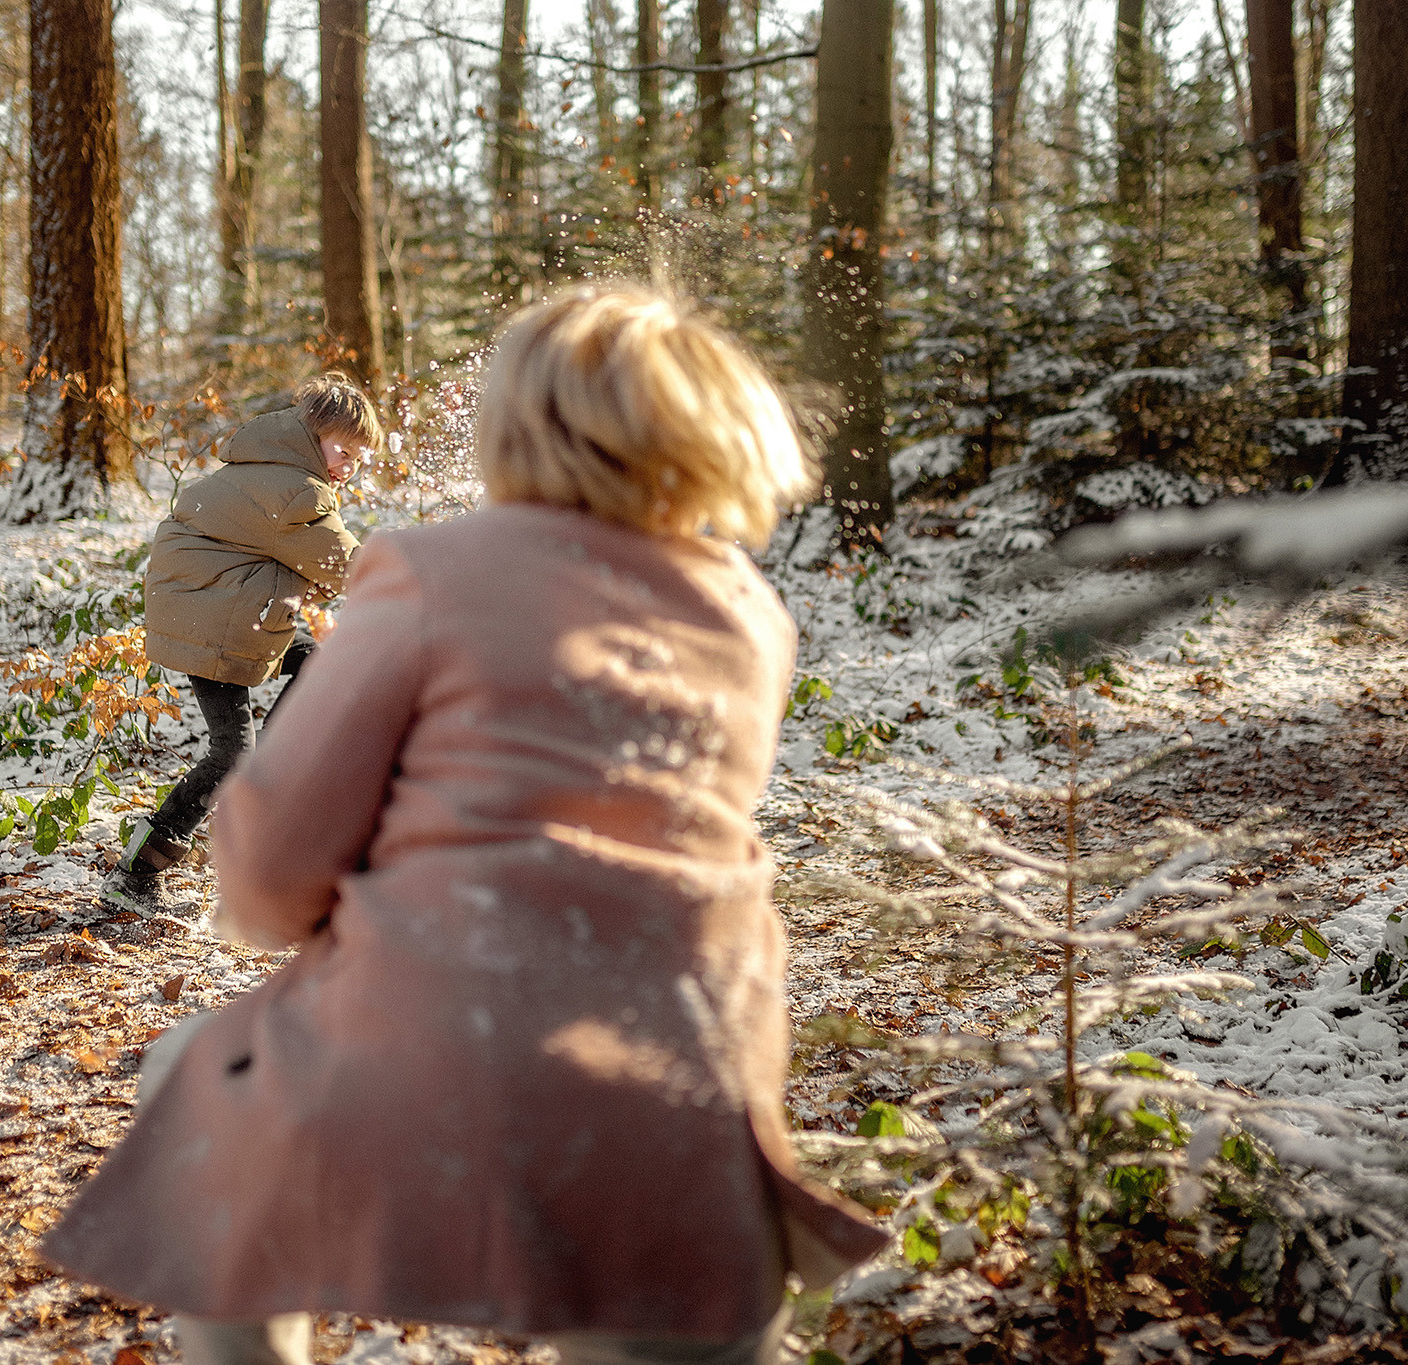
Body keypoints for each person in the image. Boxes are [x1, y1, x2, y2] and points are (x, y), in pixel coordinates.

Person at [45, 289, 887, 1363]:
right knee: (662, 1307)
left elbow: (266, 877)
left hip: (437, 1034)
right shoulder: (751, 615)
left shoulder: (432, 569)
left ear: (512, 426)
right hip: (689, 1061)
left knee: (190, 1088)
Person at [104, 374, 381, 910]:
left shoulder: (266, 467)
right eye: (343, 451)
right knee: (232, 750)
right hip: (216, 617)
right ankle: (138, 869)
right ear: (310, 435)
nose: (349, 466)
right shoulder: (295, 489)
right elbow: (346, 566)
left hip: (212, 605)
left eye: (359, 458)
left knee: (314, 665)